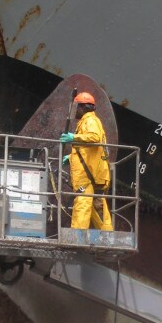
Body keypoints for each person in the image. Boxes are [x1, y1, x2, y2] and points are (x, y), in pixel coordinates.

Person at [60, 91, 113, 231]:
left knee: (83, 202)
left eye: (76, 107)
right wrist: (71, 158)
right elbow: (88, 152)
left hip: (89, 176)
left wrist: (74, 138)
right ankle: (107, 235)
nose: (74, 111)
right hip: (95, 173)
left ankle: (77, 235)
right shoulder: (89, 121)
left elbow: (94, 138)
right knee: (97, 206)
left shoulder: (90, 120)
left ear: (82, 107)